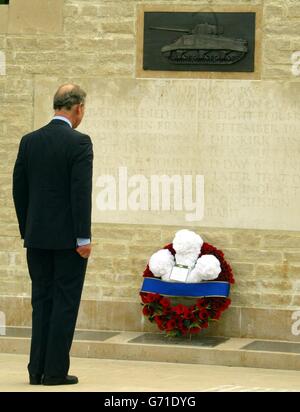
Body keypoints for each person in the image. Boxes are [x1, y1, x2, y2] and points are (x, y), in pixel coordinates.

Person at [12, 84, 93, 386]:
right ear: (78, 108)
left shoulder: (29, 141)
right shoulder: (79, 142)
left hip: (37, 239)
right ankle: (55, 371)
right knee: (65, 302)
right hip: (69, 241)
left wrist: (27, 230)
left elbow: (18, 189)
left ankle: (36, 370)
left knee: (41, 300)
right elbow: (80, 193)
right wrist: (83, 238)